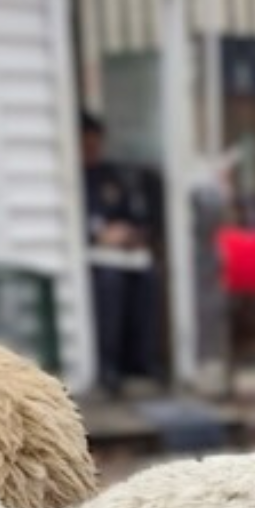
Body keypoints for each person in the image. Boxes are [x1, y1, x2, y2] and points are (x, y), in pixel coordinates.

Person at [81, 110, 165, 397]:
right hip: (91, 258)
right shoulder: (74, 178)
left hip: (121, 253)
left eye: (96, 142)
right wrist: (96, 235)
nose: (93, 149)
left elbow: (135, 216)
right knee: (110, 284)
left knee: (148, 279)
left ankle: (141, 361)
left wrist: (131, 233)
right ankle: (109, 364)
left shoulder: (110, 177)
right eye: (87, 143)